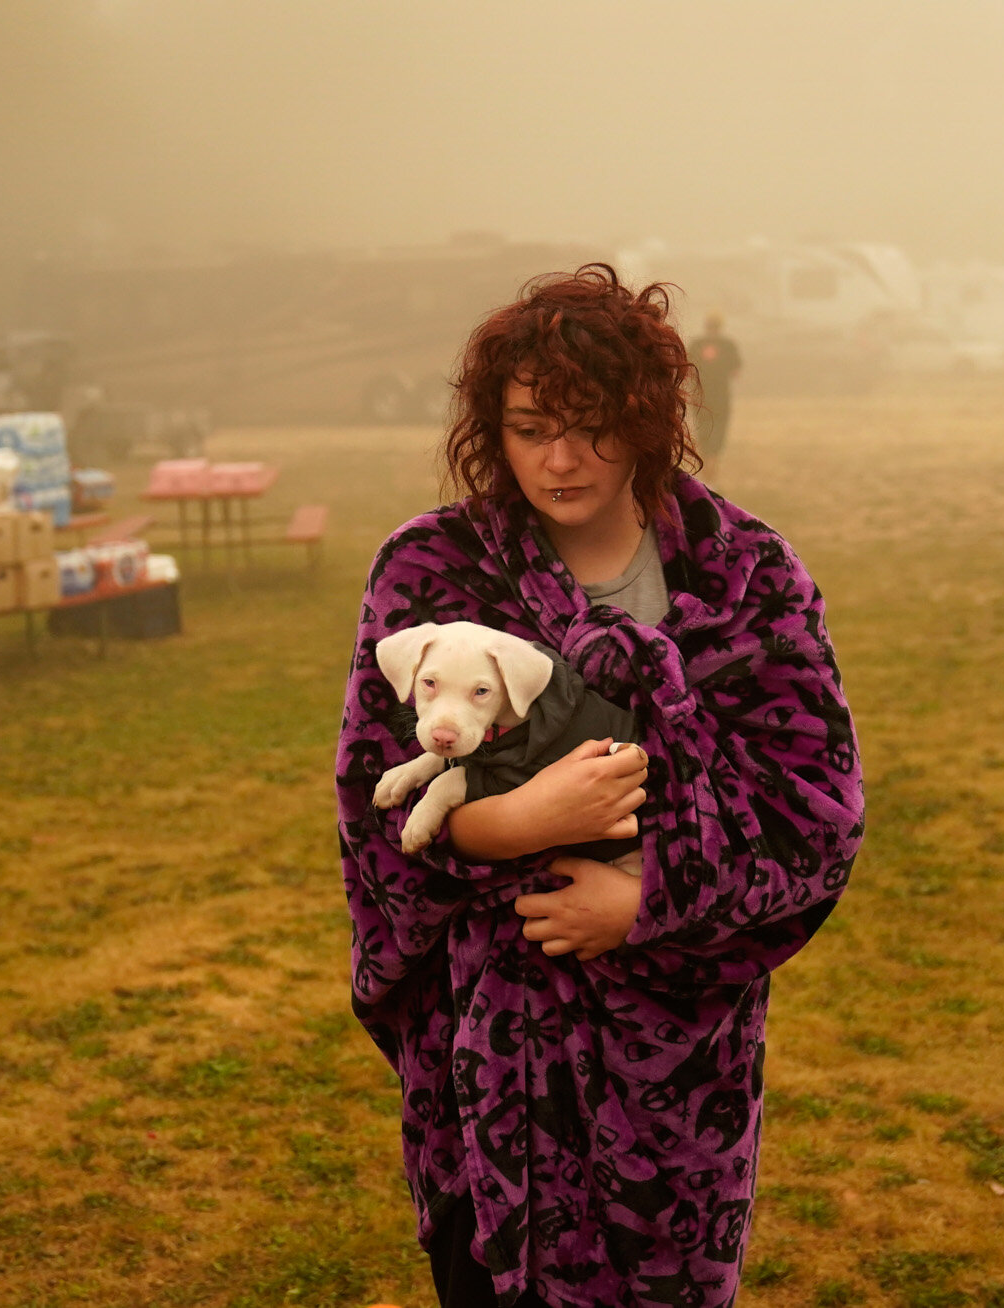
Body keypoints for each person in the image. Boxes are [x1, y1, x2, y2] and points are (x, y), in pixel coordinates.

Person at [336, 264, 863, 1308]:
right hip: (492, 1067)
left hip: (677, 1078)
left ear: (649, 419)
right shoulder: (433, 571)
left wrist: (644, 902)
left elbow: (815, 816)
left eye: (590, 424)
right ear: (493, 428)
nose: (561, 458)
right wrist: (508, 823)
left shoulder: (746, 575)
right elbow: (370, 803)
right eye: (530, 427)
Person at [688, 311, 742, 466]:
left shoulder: (696, 344)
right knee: (718, 432)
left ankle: (706, 462)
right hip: (721, 397)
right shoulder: (728, 345)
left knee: (703, 431)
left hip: (700, 396)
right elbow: (736, 371)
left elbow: (688, 371)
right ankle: (713, 463)